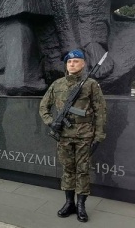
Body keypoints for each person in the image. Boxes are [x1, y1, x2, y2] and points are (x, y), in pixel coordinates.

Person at [39, 49, 107, 223]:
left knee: (82, 171)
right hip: (63, 136)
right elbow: (43, 107)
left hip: (85, 135)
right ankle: (69, 203)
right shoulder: (57, 84)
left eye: (76, 61)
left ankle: (81, 206)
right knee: (68, 170)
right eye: (69, 62)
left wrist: (99, 135)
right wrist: (51, 122)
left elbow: (100, 111)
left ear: (83, 64)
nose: (72, 64)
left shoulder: (91, 84)